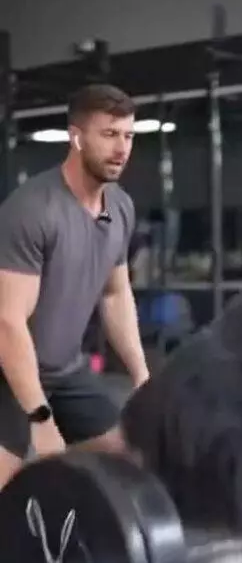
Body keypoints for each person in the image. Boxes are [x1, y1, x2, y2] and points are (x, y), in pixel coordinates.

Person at [0, 83, 149, 490]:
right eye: (108, 134)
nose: (121, 148)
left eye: (128, 136)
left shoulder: (120, 207)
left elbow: (115, 294)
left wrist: (141, 377)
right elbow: (7, 322)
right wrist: (39, 418)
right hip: (7, 373)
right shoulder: (32, 210)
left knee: (129, 459)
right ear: (76, 136)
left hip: (65, 372)